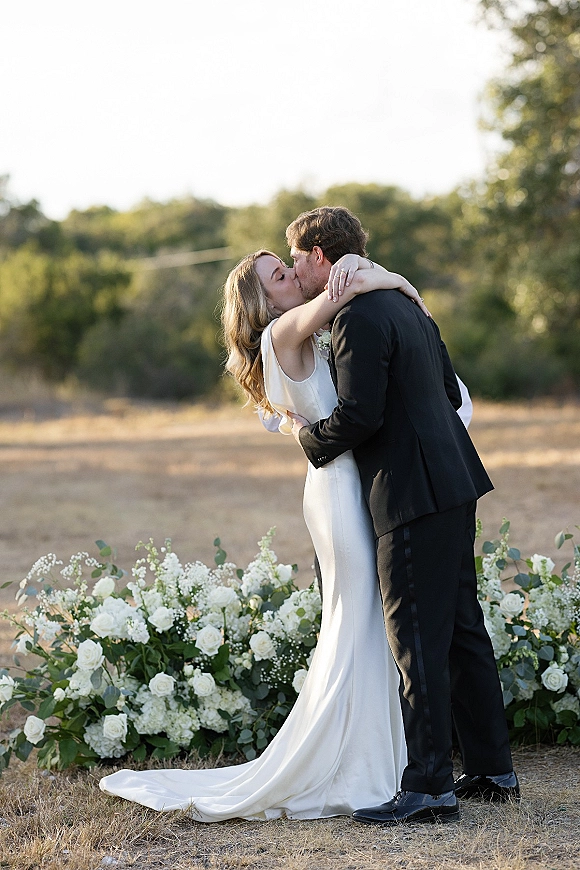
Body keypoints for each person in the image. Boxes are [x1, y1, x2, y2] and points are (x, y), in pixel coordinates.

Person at [99, 248, 422, 820]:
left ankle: (381, 756)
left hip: (348, 483)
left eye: (290, 267)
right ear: (262, 301)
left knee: (365, 619)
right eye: (280, 276)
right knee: (358, 619)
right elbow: (343, 293)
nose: (293, 276)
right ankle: (357, 766)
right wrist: (394, 278)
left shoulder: (303, 333)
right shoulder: (283, 333)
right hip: (339, 493)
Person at [288, 207, 519, 826]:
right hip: (454, 479)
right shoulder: (405, 304)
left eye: (295, 264)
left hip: (410, 491)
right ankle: (494, 769)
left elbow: (360, 415)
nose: (294, 276)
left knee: (415, 636)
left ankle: (428, 788)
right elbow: (448, 391)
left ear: (317, 256)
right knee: (463, 627)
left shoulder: (359, 316)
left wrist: (310, 441)